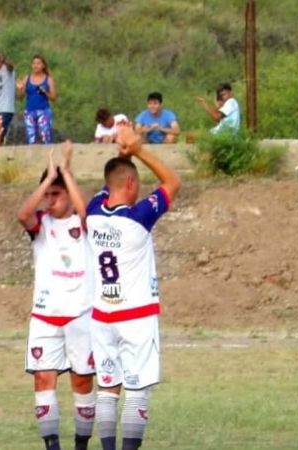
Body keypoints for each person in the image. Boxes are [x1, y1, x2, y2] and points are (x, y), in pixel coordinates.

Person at [86, 124, 180, 450]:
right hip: (135, 315)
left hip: (102, 316)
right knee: (137, 388)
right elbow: (172, 182)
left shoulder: (93, 211)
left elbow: (108, 183)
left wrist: (120, 154)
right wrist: (137, 150)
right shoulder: (139, 217)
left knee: (108, 388)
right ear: (131, 183)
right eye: (137, 183)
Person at [17, 141, 96, 450]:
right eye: (47, 195)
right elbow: (22, 214)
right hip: (45, 315)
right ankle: (52, 445)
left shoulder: (84, 224)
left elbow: (87, 213)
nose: (50, 200)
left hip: (80, 314)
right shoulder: (41, 224)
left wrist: (66, 171)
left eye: (56, 194)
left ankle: (80, 444)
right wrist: (49, 179)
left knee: (82, 381)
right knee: (42, 380)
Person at [17, 55, 57, 145]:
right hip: (29, 111)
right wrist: (20, 88)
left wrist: (45, 92)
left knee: (45, 136)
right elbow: (20, 97)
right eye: (34, 63)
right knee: (31, 137)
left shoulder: (48, 79)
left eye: (38, 63)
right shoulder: (27, 78)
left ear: (43, 65)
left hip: (44, 111)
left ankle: (48, 156)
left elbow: (54, 97)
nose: (36, 66)